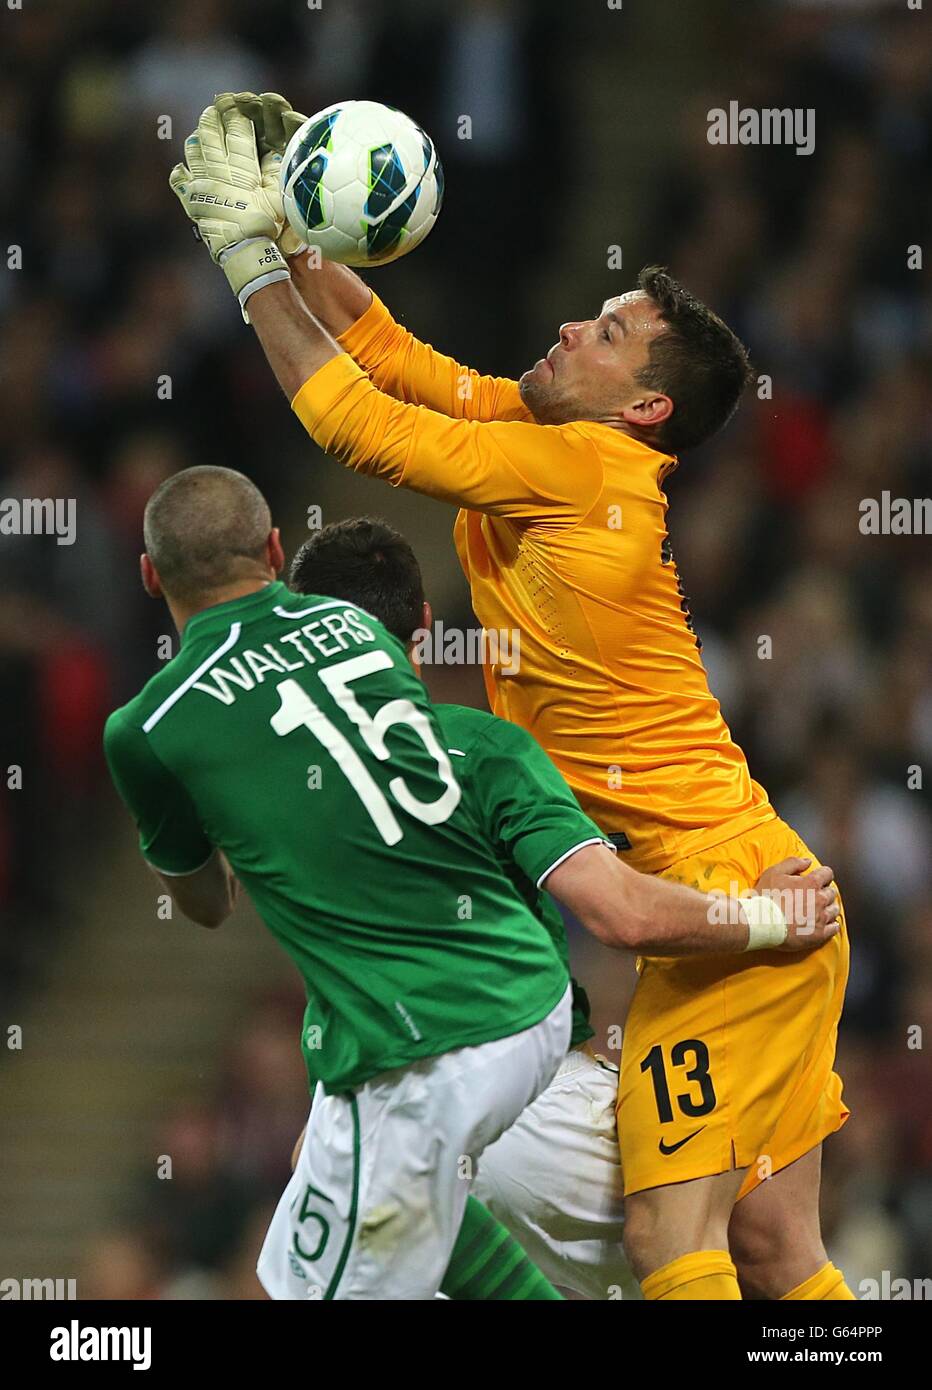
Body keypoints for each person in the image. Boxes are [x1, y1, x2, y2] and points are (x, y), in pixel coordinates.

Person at [167, 95, 853, 1303]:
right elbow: (401, 365)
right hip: (732, 870)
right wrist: (295, 238)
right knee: (776, 1252)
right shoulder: (561, 444)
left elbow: (356, 423)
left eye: (600, 333)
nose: (565, 327)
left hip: (721, 898)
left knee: (667, 1242)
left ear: (642, 405)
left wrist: (240, 263)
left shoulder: (576, 470)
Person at [285, 515, 840, 1300]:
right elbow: (621, 915)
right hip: (527, 1122)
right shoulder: (481, 750)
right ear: (426, 635)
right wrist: (769, 917)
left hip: (357, 1133)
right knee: (764, 1242)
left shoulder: (275, 781)